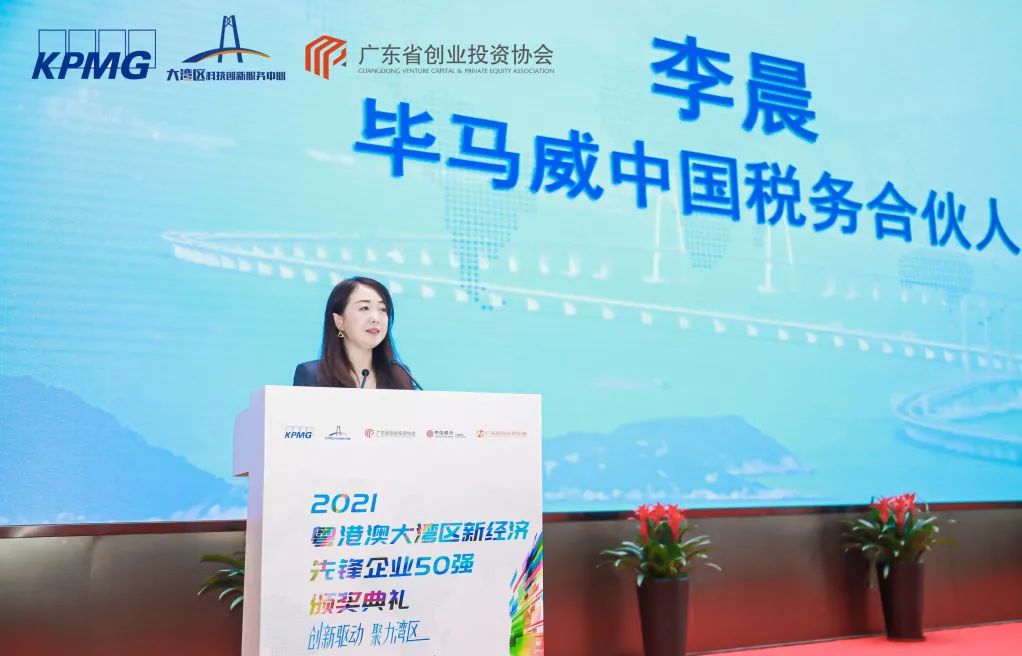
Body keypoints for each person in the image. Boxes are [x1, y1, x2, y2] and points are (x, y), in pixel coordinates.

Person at [293, 276, 419, 389]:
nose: (375, 318)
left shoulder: (401, 375)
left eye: (382, 309)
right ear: (339, 321)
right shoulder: (312, 375)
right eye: (364, 308)